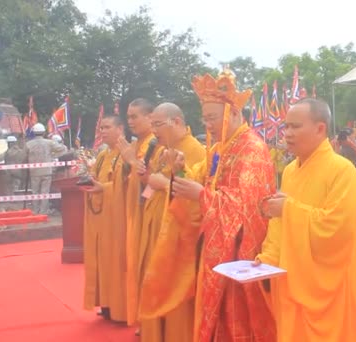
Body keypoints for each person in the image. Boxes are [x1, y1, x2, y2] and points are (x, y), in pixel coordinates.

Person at [171, 67, 276, 342]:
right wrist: (184, 173)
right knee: (216, 311)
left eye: (213, 118)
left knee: (236, 312)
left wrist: (201, 195)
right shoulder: (220, 148)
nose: (208, 125)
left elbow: (245, 203)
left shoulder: (251, 148)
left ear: (234, 113)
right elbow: (205, 179)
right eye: (204, 118)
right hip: (216, 241)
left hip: (240, 247)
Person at [255, 98, 356, 341]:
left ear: (320, 129)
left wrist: (290, 209)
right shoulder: (291, 171)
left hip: (329, 283)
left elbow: (337, 230)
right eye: (286, 127)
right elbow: (278, 221)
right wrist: (268, 258)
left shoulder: (342, 170)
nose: (288, 134)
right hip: (290, 276)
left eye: (296, 127)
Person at [136, 102, 206, 342]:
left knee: (176, 291)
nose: (153, 130)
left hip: (179, 233)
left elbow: (197, 196)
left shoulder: (193, 149)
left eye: (157, 124)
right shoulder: (165, 149)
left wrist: (162, 183)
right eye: (152, 124)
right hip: (159, 226)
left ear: (176, 122)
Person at [80, 115, 128, 322]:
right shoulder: (102, 156)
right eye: (101, 128)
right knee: (100, 260)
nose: (103, 131)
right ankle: (106, 304)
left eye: (107, 127)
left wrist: (103, 188)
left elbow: (127, 185)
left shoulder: (128, 154)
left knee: (115, 262)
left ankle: (120, 307)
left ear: (120, 129)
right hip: (99, 216)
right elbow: (98, 179)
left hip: (116, 218)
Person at [116, 98, 156, 332]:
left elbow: (146, 178)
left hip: (146, 212)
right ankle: (142, 316)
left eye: (134, 117)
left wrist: (131, 160)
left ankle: (148, 318)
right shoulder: (138, 143)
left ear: (150, 118)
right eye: (128, 117)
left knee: (146, 265)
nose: (130, 121)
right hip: (135, 212)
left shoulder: (153, 143)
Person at [25, 123, 67, 214]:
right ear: (44, 132)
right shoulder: (49, 143)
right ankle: (43, 212)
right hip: (46, 171)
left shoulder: (28, 144)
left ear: (34, 132)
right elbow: (63, 149)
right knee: (45, 193)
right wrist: (53, 156)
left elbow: (24, 157)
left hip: (34, 172)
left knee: (35, 193)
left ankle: (35, 211)